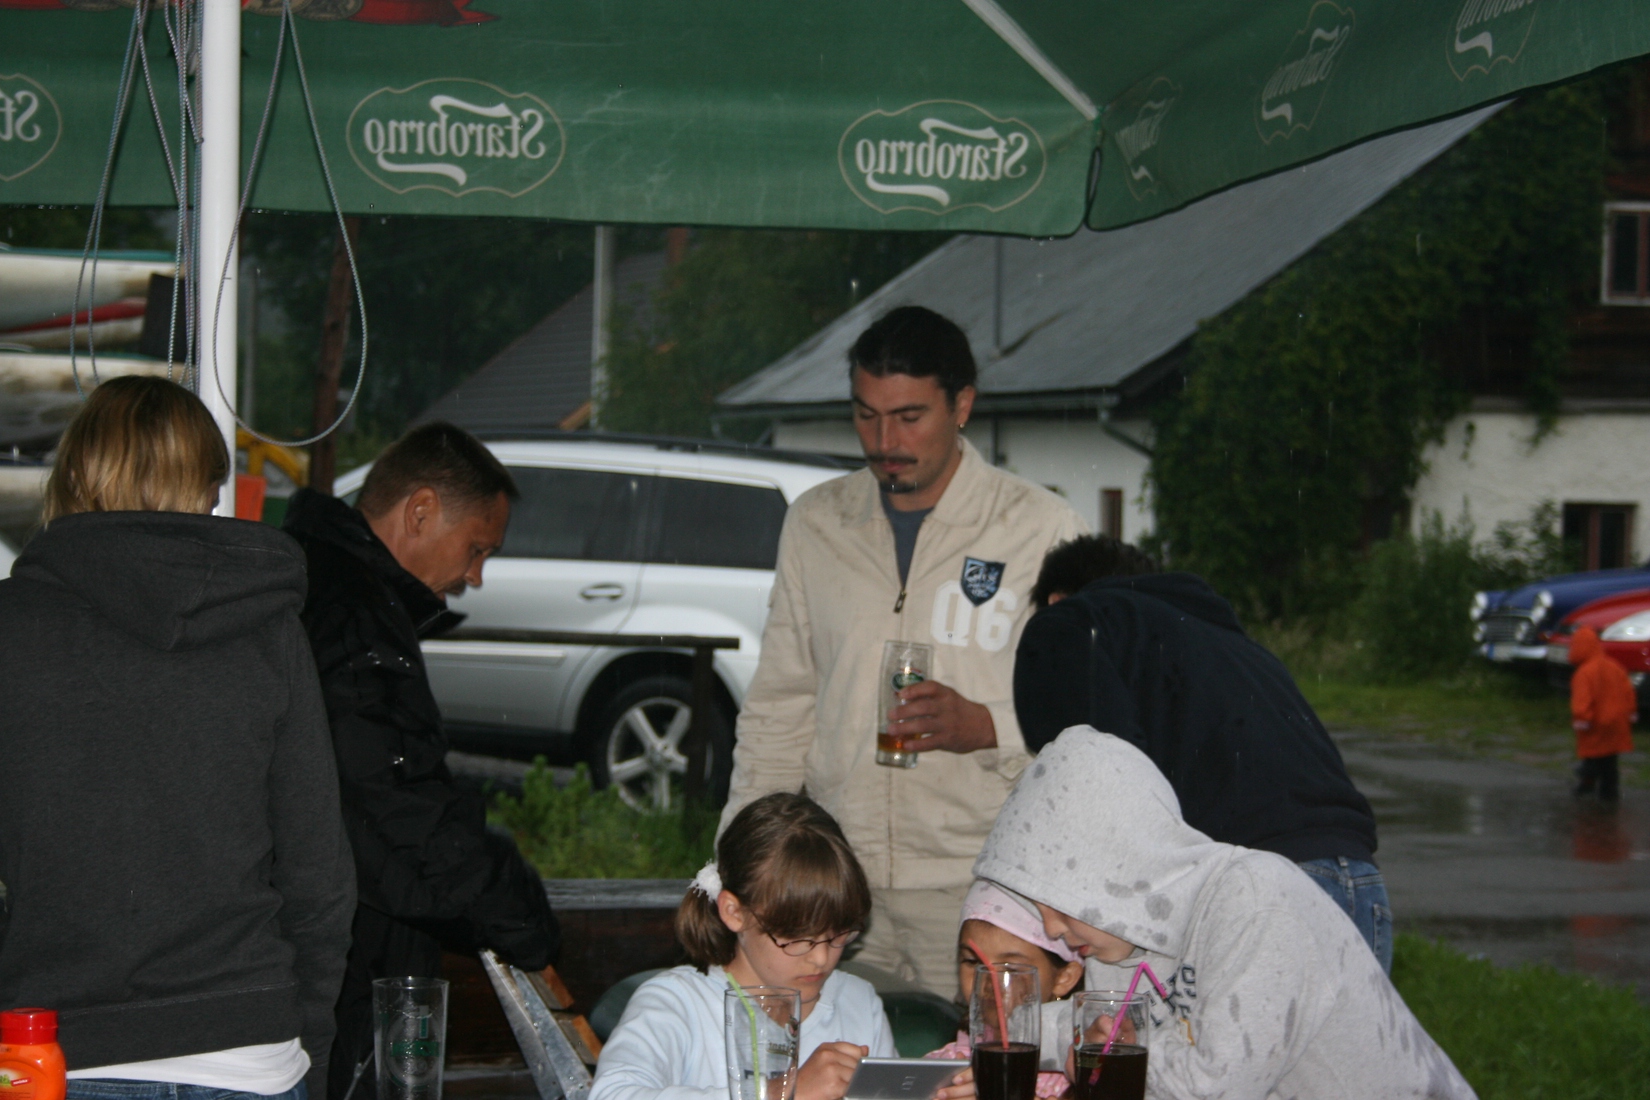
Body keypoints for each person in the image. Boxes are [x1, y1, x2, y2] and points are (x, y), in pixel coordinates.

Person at [0, 376, 355, 1100]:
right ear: (206, 488)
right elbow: (319, 877)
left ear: (73, 475)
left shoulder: (12, 629)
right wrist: (311, 1044)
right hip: (249, 1053)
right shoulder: (267, 628)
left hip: (59, 1053)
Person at [722, 306, 1086, 996]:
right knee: (840, 1058)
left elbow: (1090, 714)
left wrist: (988, 726)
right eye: (866, 415)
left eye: (909, 416)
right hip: (840, 890)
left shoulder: (1041, 529)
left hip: (991, 886)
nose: (885, 441)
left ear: (962, 405)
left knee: (981, 1058)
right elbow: (778, 710)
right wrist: (740, 866)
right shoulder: (816, 523)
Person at [282, 422, 558, 1100]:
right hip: (331, 971)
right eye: (477, 549)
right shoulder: (354, 617)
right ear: (421, 511)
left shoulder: (316, 584)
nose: (476, 576)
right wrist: (522, 917)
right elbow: (399, 810)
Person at [975, 730, 1477, 1100]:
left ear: (1117, 863)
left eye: (1059, 902)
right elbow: (1101, 1041)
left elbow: (1214, 1087)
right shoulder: (1117, 940)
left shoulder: (1258, 901)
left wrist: (1111, 1056)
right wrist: (1007, 1034)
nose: (1052, 929)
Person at [1013, 535, 1391, 971]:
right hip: (1360, 885)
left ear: (1056, 599)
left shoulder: (1072, 621)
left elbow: (1097, 779)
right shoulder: (1235, 647)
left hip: (1256, 891)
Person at [591, 793, 895, 1100]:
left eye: (839, 934)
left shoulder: (858, 1004)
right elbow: (610, 1094)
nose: (821, 958)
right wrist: (779, 1094)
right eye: (796, 938)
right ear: (734, 912)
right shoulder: (677, 1003)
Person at [925, 881, 1084, 1098]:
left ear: (1064, 978)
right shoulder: (940, 1073)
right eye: (972, 962)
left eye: (1011, 968)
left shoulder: (1081, 1075)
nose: (989, 982)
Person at [1568, 625, 1636, 801]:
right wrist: (1630, 712)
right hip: (1616, 722)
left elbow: (1582, 700)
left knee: (1592, 755)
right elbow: (1628, 691)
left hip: (1595, 723)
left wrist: (1582, 718)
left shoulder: (1584, 673)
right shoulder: (1614, 666)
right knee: (1610, 759)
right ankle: (1609, 791)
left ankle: (1588, 784)